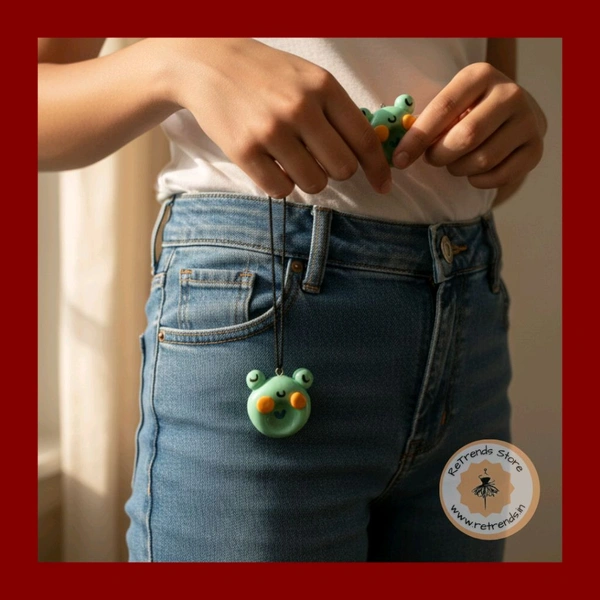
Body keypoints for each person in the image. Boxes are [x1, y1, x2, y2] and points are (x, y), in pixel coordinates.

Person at [38, 38, 547, 562]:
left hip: (469, 316)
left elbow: (481, 164)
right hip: (265, 302)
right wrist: (178, 64)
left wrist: (508, 137)